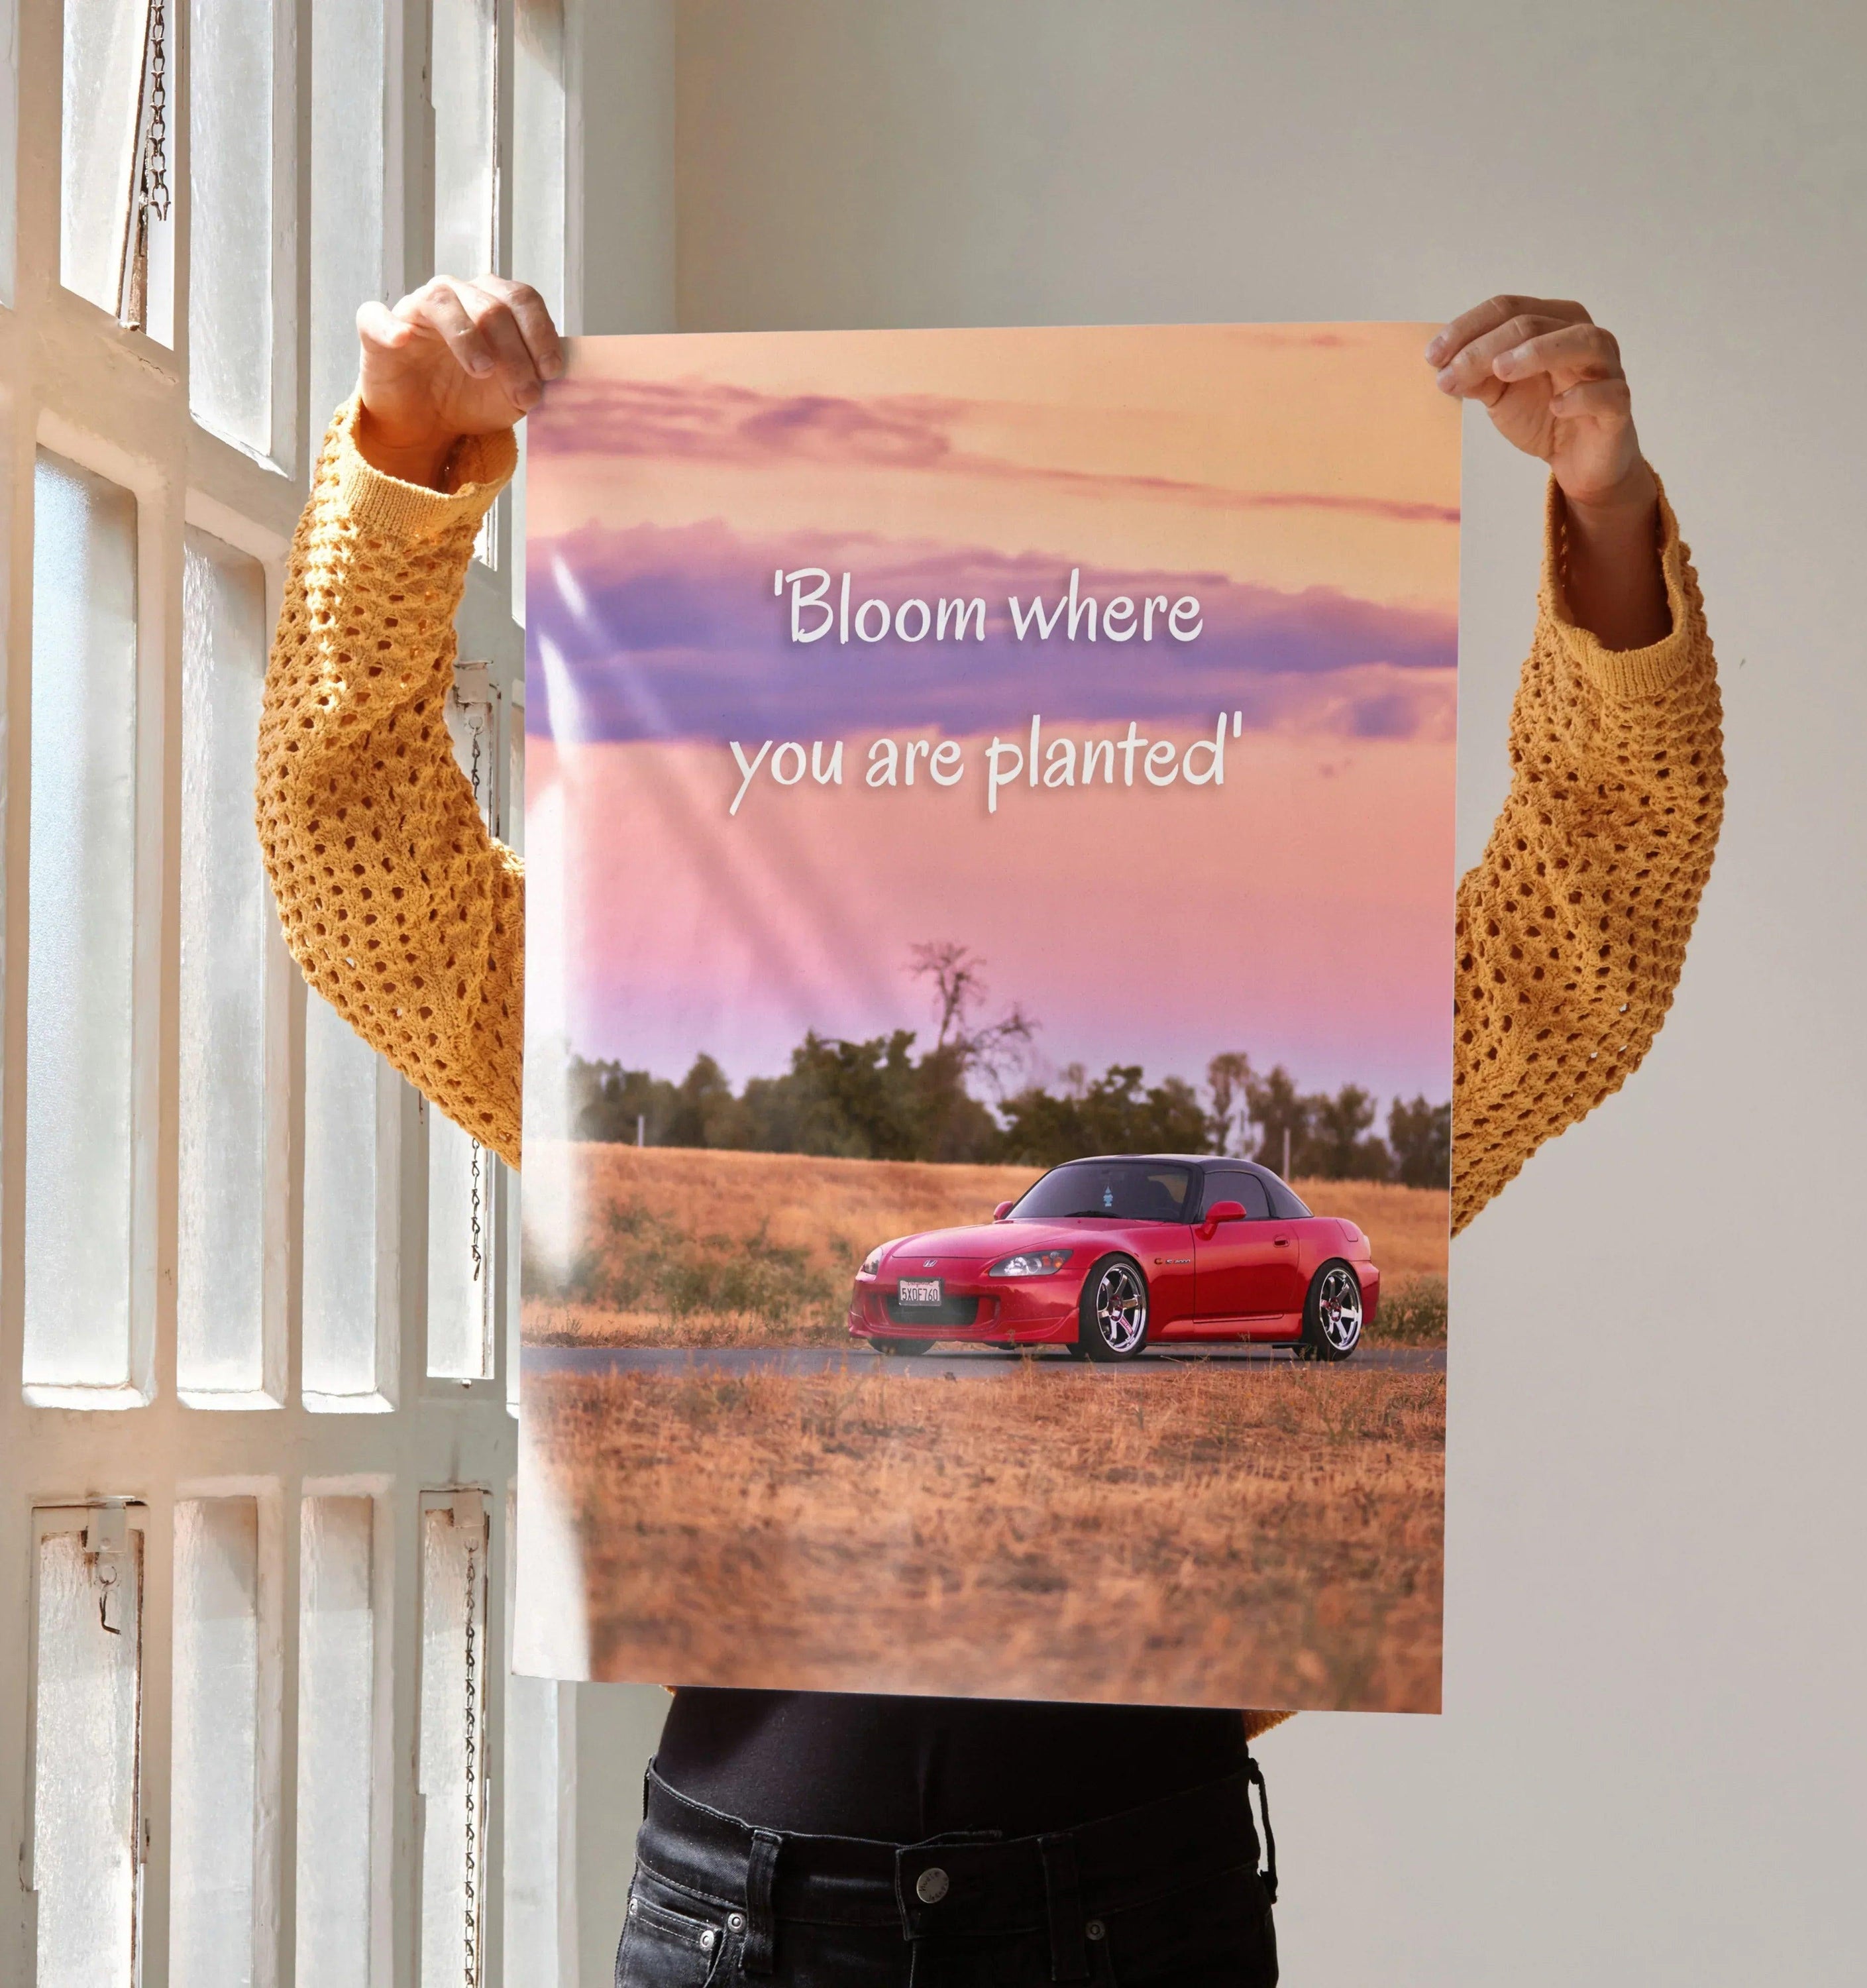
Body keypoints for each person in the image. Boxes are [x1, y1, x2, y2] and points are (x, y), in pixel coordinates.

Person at [257, 276, 1723, 1987]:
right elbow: (354, 863)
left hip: (1136, 1906)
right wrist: (406, 457)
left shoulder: (1307, 1091)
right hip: (746, 1921)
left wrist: (1605, 514)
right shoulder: (649, 1027)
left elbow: (1589, 934)